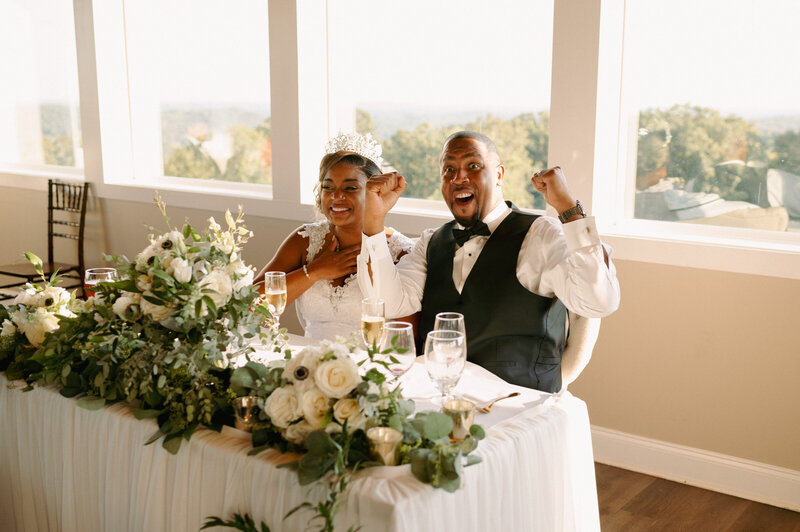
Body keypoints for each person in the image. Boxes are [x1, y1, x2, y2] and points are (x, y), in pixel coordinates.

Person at [357, 131, 620, 393]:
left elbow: (598, 301)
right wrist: (372, 222)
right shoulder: (431, 241)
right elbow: (387, 303)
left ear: (498, 175)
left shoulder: (541, 235)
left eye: (473, 166)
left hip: (520, 405)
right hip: (438, 399)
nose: (458, 177)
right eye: (448, 169)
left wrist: (568, 209)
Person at [257, 133, 415, 340]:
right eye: (328, 187)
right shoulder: (305, 239)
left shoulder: (401, 251)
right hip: (309, 365)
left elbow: (406, 341)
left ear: (375, 194)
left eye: (350, 188)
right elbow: (250, 303)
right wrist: (314, 271)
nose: (336, 196)